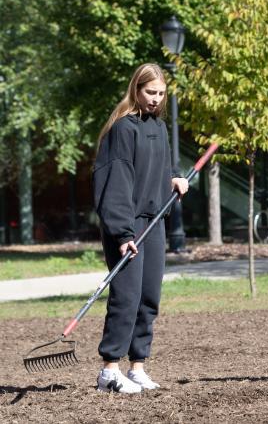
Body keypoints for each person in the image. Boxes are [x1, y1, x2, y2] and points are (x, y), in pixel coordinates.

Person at [93, 63, 189, 393]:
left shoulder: (158, 128)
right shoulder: (123, 129)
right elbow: (115, 183)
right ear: (136, 90)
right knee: (127, 296)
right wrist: (122, 234)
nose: (156, 99)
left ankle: (137, 367)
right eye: (150, 92)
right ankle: (109, 370)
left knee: (149, 297)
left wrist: (175, 177)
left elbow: (163, 166)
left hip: (154, 220)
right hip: (127, 223)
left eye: (161, 94)